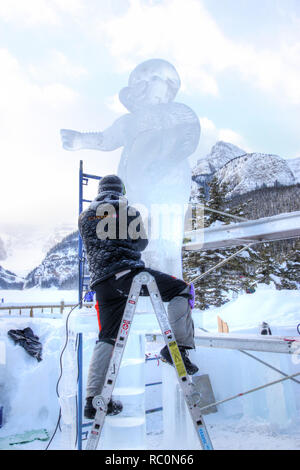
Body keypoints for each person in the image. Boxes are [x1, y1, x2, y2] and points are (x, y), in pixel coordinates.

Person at [79, 174, 198, 420]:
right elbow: (141, 243)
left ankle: (93, 400)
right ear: (121, 190)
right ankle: (178, 349)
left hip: (102, 285)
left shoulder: (85, 217)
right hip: (128, 275)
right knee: (181, 290)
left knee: (107, 337)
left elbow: (96, 245)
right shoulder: (127, 209)